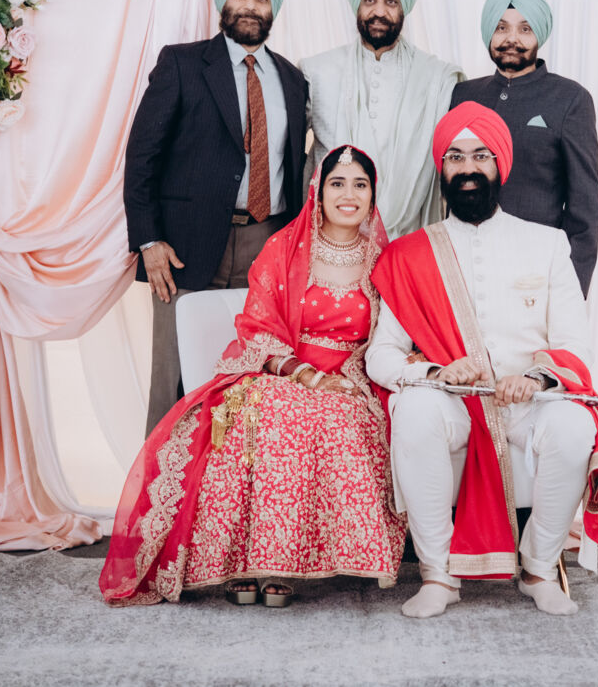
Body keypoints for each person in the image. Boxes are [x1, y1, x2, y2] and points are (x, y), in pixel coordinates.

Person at [101, 147, 407, 606]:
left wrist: (349, 376)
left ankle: (280, 563)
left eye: (360, 185)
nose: (349, 194)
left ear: (372, 195)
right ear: (318, 192)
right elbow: (259, 326)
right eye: (337, 184)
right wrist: (304, 375)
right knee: (266, 412)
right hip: (283, 369)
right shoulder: (284, 248)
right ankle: (239, 562)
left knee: (332, 418)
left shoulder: (384, 260)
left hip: (351, 378)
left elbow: (397, 332)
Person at [366, 102, 598, 619]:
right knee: (415, 412)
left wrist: (536, 378)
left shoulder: (547, 244)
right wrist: (435, 373)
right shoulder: (409, 255)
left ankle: (539, 568)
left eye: (480, 155)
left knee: (574, 425)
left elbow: (576, 344)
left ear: (500, 165)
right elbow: (381, 355)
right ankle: (437, 574)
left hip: (526, 403)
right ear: (441, 168)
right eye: (455, 157)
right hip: (454, 402)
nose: (468, 168)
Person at [124, 0, 309, 436]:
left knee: (252, 374)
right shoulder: (182, 63)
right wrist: (148, 241)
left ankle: (233, 482)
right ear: (222, 1)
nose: (250, 5)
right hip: (184, 247)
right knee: (175, 377)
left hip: (266, 244)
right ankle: (160, 485)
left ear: (274, 9)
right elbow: (142, 157)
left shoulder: (292, 80)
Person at [449, 0, 598, 295]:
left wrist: (569, 294)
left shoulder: (570, 99)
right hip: (464, 265)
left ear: (539, 35)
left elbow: (583, 211)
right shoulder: (463, 95)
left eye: (525, 29)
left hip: (533, 272)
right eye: (501, 27)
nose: (512, 39)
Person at [304, 0, 463, 237]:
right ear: (357, 4)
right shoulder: (316, 70)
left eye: (391, 1)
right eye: (369, 0)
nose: (379, 11)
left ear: (404, 7)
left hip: (408, 237)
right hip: (329, 238)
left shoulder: (437, 78)